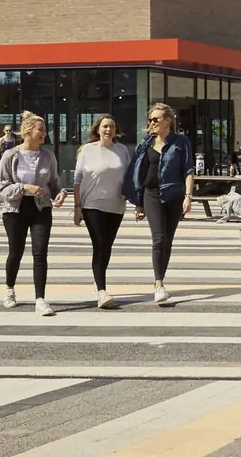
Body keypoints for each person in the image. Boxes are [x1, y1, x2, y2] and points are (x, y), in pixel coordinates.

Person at [0, 112, 62, 316]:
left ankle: (40, 299)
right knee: (16, 251)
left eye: (45, 130)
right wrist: (25, 187)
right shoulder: (10, 155)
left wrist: (60, 193)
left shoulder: (48, 156)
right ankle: (9, 289)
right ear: (27, 132)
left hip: (41, 208)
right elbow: (2, 187)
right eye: (40, 130)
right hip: (15, 209)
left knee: (40, 253)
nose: (44, 134)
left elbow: (54, 182)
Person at [125, 102, 191, 307]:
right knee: (159, 237)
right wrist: (138, 203)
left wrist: (188, 196)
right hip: (151, 194)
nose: (152, 123)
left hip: (174, 195)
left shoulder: (181, 142)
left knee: (167, 240)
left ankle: (161, 279)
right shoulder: (146, 144)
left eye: (156, 119)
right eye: (150, 119)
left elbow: (188, 170)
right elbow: (138, 173)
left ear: (168, 120)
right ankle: (158, 284)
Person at [72, 114, 129, 310]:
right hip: (92, 204)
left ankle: (98, 281)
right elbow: (77, 180)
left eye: (112, 126)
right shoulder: (87, 150)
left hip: (116, 205)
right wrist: (77, 207)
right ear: (98, 129)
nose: (108, 130)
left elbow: (128, 178)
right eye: (105, 126)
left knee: (107, 247)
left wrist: (137, 202)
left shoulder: (122, 150)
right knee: (100, 245)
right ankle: (102, 291)